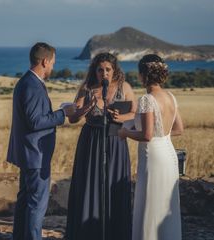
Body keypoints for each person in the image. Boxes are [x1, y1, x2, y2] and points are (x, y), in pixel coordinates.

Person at [7, 42, 75, 240]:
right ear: (45, 61)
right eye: (53, 62)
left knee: (25, 201)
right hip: (35, 155)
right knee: (36, 205)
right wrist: (63, 113)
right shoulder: (33, 85)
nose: (53, 67)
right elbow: (36, 121)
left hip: (28, 153)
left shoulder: (26, 81)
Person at [65, 52, 137, 240]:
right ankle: (89, 232)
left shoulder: (125, 87)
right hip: (91, 141)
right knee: (91, 184)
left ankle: (115, 232)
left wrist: (119, 117)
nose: (104, 73)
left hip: (116, 141)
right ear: (94, 71)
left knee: (113, 184)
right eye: (100, 70)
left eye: (108, 69)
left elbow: (135, 113)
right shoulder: (87, 88)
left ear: (114, 71)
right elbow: (73, 118)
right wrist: (88, 106)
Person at [118, 54, 184, 240]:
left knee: (149, 202)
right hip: (168, 153)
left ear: (143, 75)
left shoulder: (147, 99)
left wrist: (125, 133)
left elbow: (146, 135)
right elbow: (178, 129)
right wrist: (135, 123)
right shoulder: (170, 96)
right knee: (164, 203)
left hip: (153, 156)